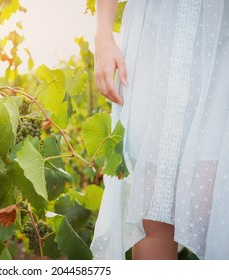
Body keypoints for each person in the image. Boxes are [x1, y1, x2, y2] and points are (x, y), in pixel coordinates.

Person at [91, 0, 229, 260]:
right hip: (155, 39)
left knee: (214, 197)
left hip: (220, 42)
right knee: (150, 208)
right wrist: (103, 35)